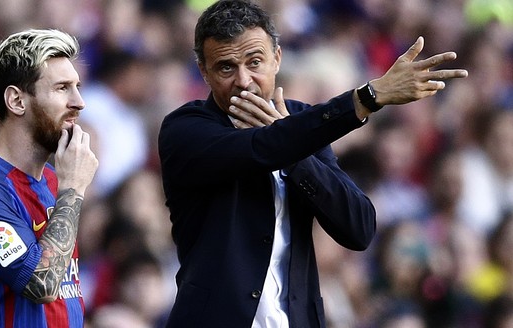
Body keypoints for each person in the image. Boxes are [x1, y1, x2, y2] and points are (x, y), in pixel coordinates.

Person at [157, 1, 468, 327]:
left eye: (255, 62)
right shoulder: (186, 129)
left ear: (277, 58)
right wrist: (366, 97)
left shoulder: (304, 123)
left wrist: (297, 153)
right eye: (225, 68)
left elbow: (359, 229)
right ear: (203, 71)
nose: (244, 80)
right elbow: (262, 147)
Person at [0, 29, 98, 327]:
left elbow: (67, 296)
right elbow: (41, 284)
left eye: (77, 87)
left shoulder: (57, 180)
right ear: (16, 101)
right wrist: (74, 189)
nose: (79, 102)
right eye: (62, 88)